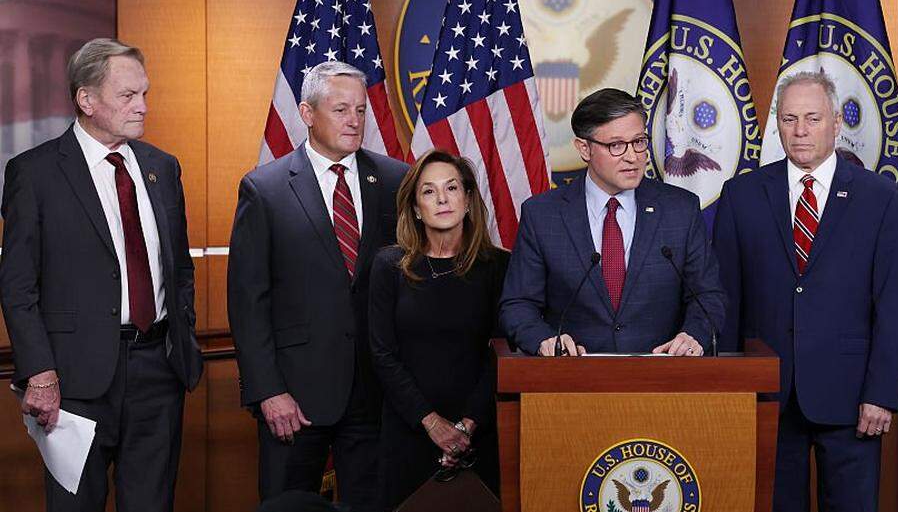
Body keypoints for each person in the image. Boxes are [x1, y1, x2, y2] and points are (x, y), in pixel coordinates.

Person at [0, 38, 203, 512]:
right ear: (86, 99)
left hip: (159, 372)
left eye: (145, 94)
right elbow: (17, 286)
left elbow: (180, 268)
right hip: (74, 381)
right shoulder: (35, 173)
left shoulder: (161, 168)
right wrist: (41, 374)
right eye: (128, 96)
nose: (143, 107)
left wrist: (183, 341)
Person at [713, 71, 898, 512]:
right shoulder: (741, 195)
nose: (800, 131)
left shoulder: (882, 199)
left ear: (837, 121)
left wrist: (881, 393)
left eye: (812, 118)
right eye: (789, 119)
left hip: (852, 398)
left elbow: (895, 306)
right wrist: (731, 391)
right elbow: (725, 301)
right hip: (767, 394)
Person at [227, 61, 409, 509]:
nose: (354, 120)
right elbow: (248, 302)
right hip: (295, 396)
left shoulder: (395, 179)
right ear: (307, 113)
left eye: (361, 110)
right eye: (341, 108)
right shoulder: (264, 189)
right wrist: (268, 390)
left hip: (375, 393)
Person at [499, 88, 724, 356]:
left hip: (662, 379)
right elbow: (518, 304)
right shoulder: (542, 215)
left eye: (639, 141)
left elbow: (708, 296)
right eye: (616, 145)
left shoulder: (680, 210)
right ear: (584, 148)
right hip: (572, 381)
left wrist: (693, 335)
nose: (633, 156)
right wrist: (544, 340)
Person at [368, 150, 508, 510]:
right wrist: (432, 424)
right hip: (409, 429)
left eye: (451, 188)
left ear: (467, 199)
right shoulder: (389, 266)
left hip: (481, 430)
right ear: (415, 208)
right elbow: (382, 353)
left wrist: (467, 426)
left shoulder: (500, 266)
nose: (442, 199)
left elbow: (504, 351)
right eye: (429, 192)